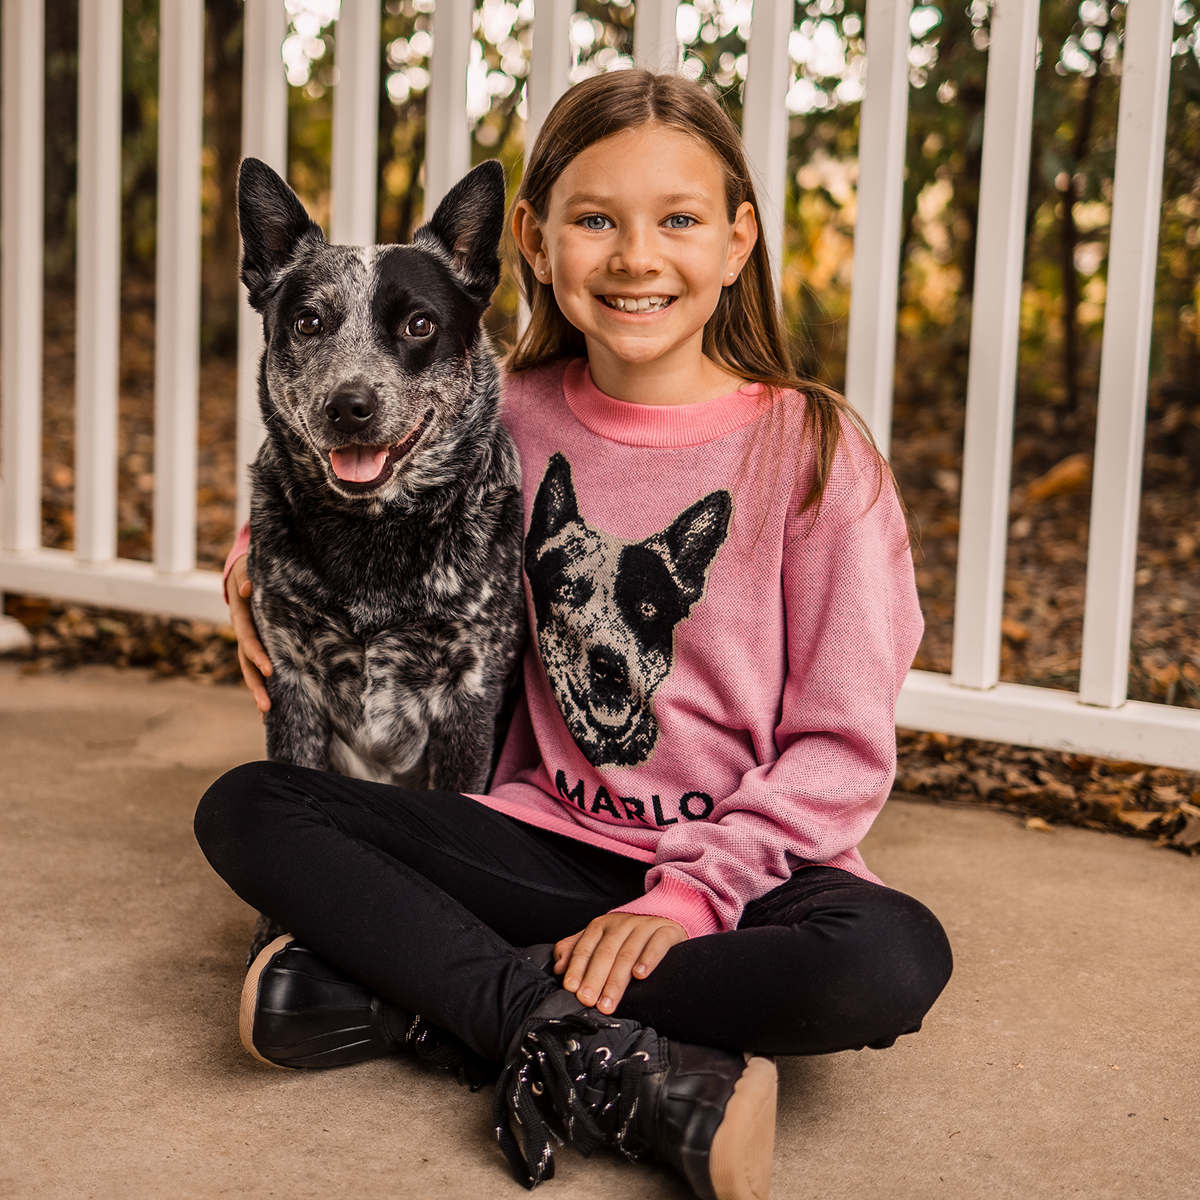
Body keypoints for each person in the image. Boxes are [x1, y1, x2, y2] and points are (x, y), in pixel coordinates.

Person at [195, 70, 952, 1200]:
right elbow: (343, 465)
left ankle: (436, 998)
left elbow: (842, 749)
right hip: (541, 843)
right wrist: (251, 559)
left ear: (739, 242)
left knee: (890, 960)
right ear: (536, 246)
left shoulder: (816, 454)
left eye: (678, 219)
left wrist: (689, 898)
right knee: (249, 808)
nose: (637, 256)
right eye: (596, 220)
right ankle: (601, 1053)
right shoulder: (501, 405)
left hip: (745, 870)